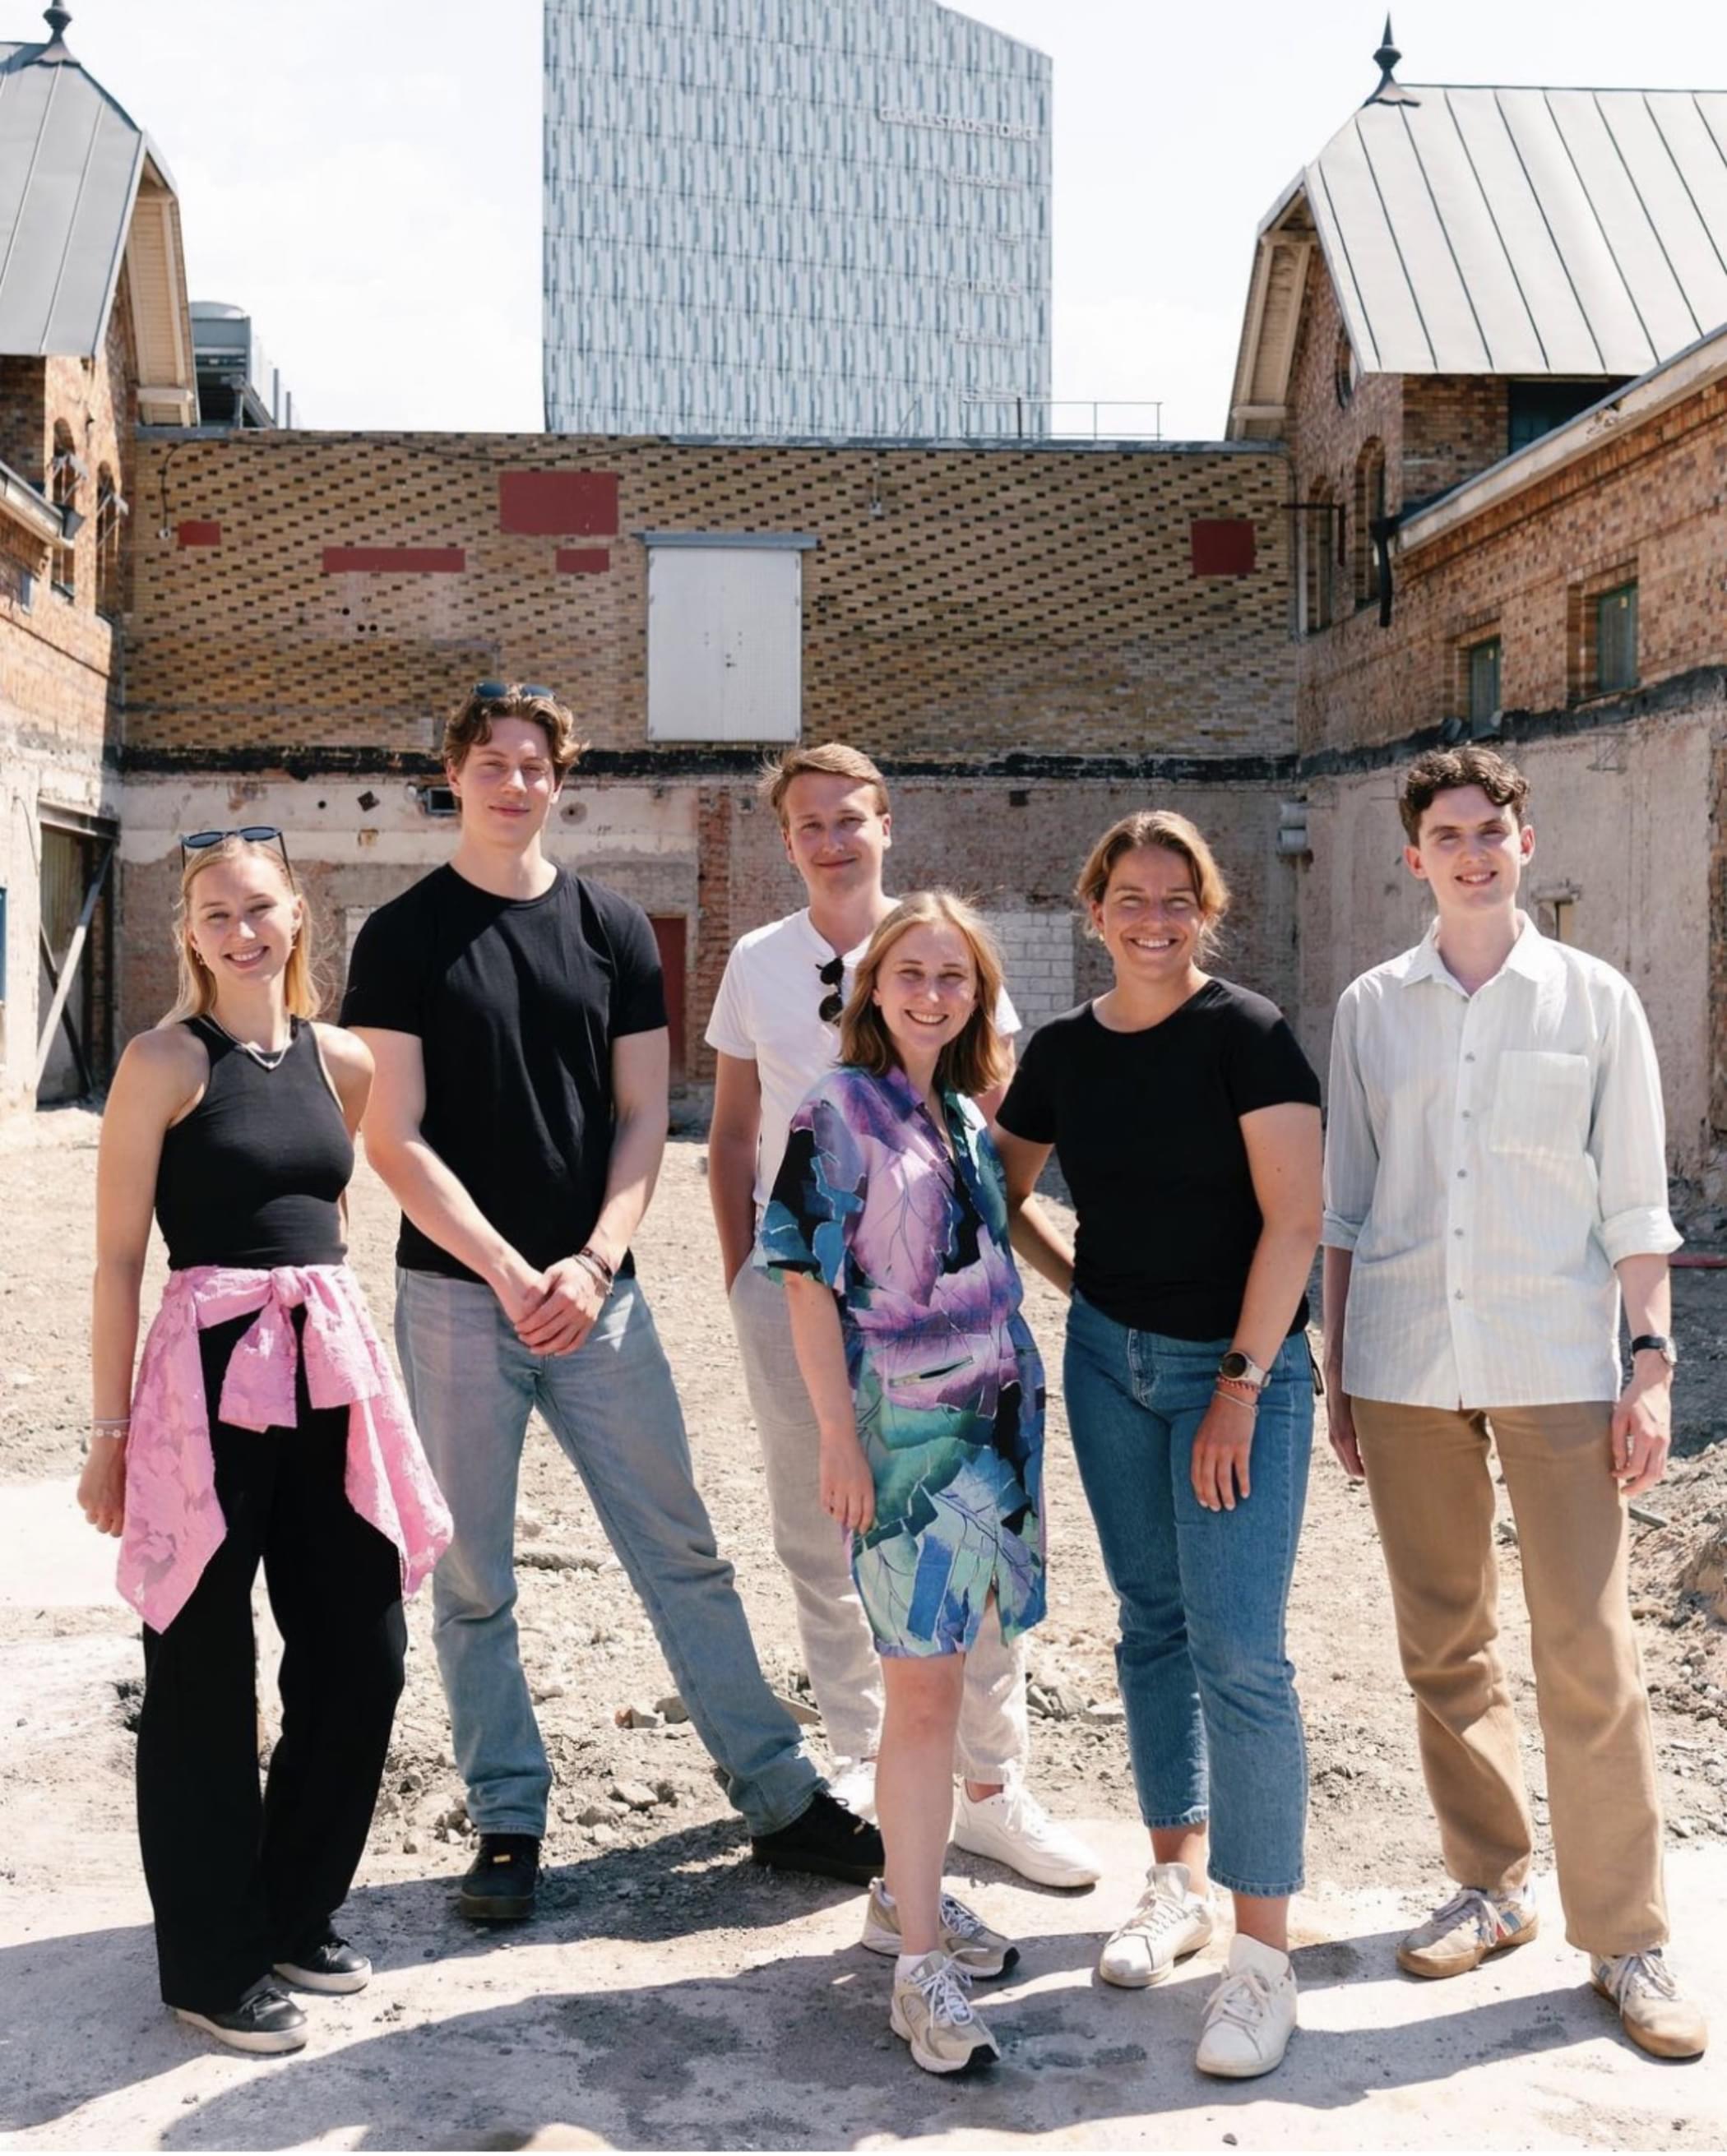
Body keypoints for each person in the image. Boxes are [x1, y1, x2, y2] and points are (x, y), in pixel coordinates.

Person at [343, 683, 881, 1923]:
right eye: (491, 761)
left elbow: (649, 1119)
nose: (513, 781)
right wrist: (506, 1268)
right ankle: (508, 1818)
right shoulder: (404, 936)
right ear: (455, 774)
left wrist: (591, 1260)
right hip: (458, 1300)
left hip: (603, 1299)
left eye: (535, 762)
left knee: (681, 1550)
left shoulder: (613, 929)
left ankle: (779, 1795)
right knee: (473, 1572)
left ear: (559, 778)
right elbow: (396, 1135)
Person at [1322, 746, 1707, 2062]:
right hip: (1408, 1356)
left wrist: (1648, 1361)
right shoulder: (1373, 1006)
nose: (1473, 851)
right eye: (1447, 832)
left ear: (1526, 846)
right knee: (1445, 1642)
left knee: (1586, 1649)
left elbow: (1635, 1204)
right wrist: (1334, 1363)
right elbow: (1348, 1203)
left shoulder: (1597, 1001)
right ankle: (1492, 1886)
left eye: (1492, 829)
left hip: (1556, 1357)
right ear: (1414, 853)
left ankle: (1628, 1940)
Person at [78, 829, 451, 2056]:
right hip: (203, 1376)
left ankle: (294, 1910)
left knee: (363, 1647)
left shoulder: (342, 1063)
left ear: (299, 917)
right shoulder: (161, 1061)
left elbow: (333, 1215)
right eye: (212, 913)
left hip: (327, 1368)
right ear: (189, 933)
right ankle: (207, 1960)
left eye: (259, 907)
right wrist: (110, 1433)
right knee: (200, 1666)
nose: (240, 929)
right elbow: (120, 1255)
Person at [706, 741, 1100, 1890]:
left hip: (948, 1332)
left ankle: (989, 1782)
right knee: (824, 1527)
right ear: (789, 840)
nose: (833, 838)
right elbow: (735, 1135)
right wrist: (759, 1279)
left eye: (852, 818)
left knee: (971, 1545)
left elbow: (994, 1149)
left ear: (887, 825)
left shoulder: (940, 950)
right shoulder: (757, 963)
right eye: (811, 823)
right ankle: (867, 1765)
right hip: (811, 1301)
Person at [993, 811, 1322, 2080]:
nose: (1152, 916)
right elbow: (1001, 1186)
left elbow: (1295, 1220)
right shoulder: (1068, 1050)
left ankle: (1263, 1961)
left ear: (1208, 909)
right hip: (1110, 1368)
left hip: (1234, 1372)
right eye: (1130, 895)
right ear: (1095, 909)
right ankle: (1174, 1881)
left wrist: (1240, 1382)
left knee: (1242, 1653)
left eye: (1176, 896)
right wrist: (1077, 1283)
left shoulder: (1246, 1033)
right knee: (1149, 1625)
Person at [759, 891, 1039, 2075]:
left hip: (992, 1439)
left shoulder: (965, 1111)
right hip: (902, 1447)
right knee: (922, 1699)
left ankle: (899, 1898)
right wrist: (835, 1432)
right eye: (912, 972)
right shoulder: (838, 1111)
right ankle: (918, 1965)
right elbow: (805, 1281)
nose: (933, 991)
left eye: (956, 976)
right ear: (872, 985)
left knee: (954, 1676)